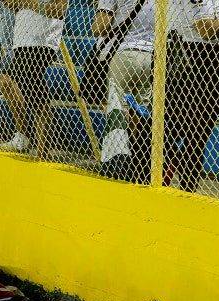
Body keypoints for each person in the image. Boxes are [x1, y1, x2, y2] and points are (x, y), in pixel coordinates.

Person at [91, 0, 155, 184]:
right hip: (150, 56)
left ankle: (117, 162)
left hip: (123, 54)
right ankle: (138, 164)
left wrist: (94, 23)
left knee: (117, 110)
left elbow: (101, 27)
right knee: (141, 113)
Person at [0, 0, 67, 159]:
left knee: (39, 102)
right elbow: (11, 4)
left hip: (41, 44)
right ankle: (23, 137)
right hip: (22, 42)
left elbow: (58, 11)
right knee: (5, 81)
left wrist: (27, 2)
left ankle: (42, 156)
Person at [164, 0, 219, 192]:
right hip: (187, 55)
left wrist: (217, 24)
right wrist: (216, 24)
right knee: (173, 131)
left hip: (210, 58)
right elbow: (206, 29)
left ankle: (187, 189)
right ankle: (157, 181)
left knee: (198, 136)